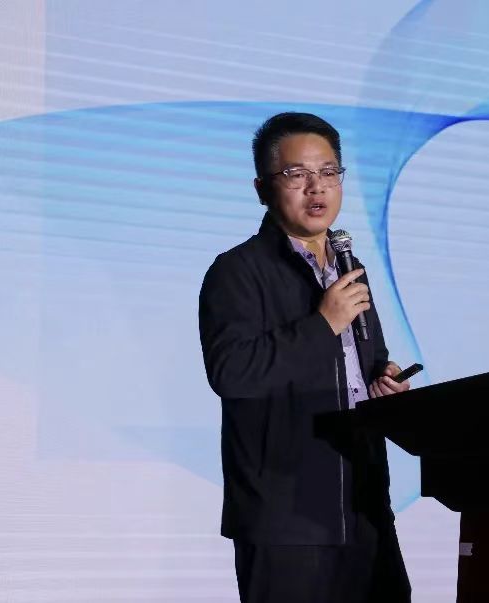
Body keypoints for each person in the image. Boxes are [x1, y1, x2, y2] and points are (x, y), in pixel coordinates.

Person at [198, 112, 412, 603]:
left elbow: (364, 362)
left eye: (329, 172)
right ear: (262, 189)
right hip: (286, 518)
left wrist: (385, 381)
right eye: (297, 174)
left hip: (364, 505)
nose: (317, 187)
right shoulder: (237, 271)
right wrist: (321, 325)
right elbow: (232, 373)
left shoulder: (350, 269)